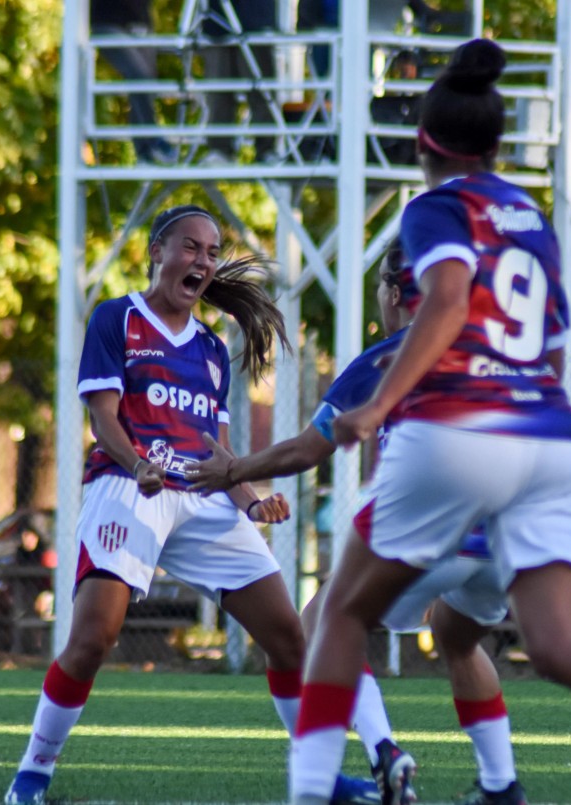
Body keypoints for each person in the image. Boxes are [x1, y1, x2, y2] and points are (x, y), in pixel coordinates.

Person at [286, 40, 571, 805]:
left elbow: (450, 300)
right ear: (495, 146)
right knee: (559, 640)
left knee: (339, 613)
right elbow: (552, 346)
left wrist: (380, 405)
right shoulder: (532, 216)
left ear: (425, 145)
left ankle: (310, 791)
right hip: (552, 440)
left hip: (458, 428)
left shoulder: (435, 206)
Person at [2, 205, 377, 805]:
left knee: (288, 637)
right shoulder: (116, 318)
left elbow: (218, 453)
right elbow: (103, 422)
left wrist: (251, 503)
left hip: (201, 498)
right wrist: (139, 466)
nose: (202, 260)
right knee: (93, 638)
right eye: (189, 247)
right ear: (156, 252)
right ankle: (32, 774)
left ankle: (320, 777)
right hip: (129, 490)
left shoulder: (208, 349)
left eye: (211, 251)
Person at [188, 244, 524, 804]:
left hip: (438, 527)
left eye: (379, 295)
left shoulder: (386, 359)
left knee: (325, 620)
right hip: (504, 536)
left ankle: (384, 750)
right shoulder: (493, 355)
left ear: (395, 295)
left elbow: (304, 452)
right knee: (456, 636)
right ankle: (502, 785)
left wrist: (235, 471)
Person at [91, 0, 178, 165]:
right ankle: (153, 141)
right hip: (109, 23)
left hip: (140, 26)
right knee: (140, 77)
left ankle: (145, 153)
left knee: (144, 86)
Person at [200, 0, 277, 162]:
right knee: (218, 89)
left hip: (255, 22)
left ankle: (266, 150)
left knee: (261, 91)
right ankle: (219, 149)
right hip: (217, 24)